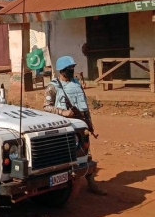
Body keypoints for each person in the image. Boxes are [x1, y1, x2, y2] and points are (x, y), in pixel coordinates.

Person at [43, 55, 107, 196]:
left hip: (80, 124)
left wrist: (89, 123)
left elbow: (84, 106)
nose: (71, 70)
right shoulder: (53, 87)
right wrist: (64, 112)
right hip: (62, 126)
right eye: (68, 68)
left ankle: (91, 182)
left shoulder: (77, 83)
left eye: (72, 68)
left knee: (85, 154)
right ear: (61, 70)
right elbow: (46, 107)